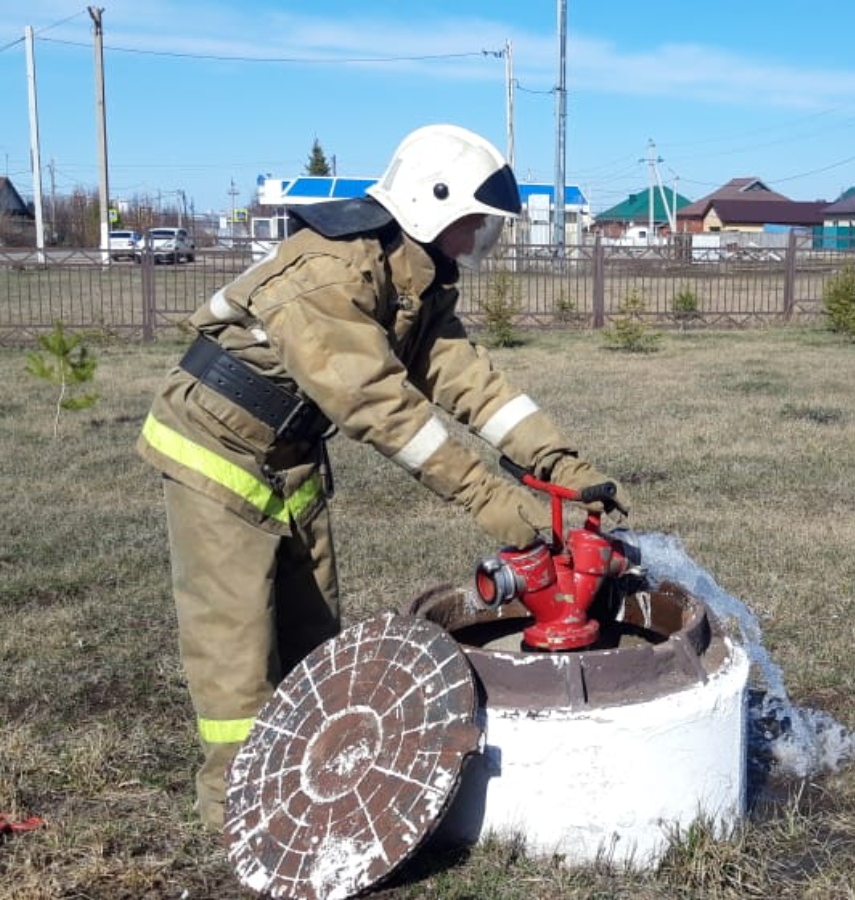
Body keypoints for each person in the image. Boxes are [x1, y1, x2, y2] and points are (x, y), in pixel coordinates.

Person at [135, 124, 626, 829]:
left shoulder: (413, 277)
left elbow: (471, 382)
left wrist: (560, 462)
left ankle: (308, 782)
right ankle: (243, 814)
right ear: (430, 205)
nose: (477, 240)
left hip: (292, 452)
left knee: (312, 637)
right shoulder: (329, 276)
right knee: (237, 648)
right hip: (217, 448)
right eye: (473, 224)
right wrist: (488, 497)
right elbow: (381, 409)